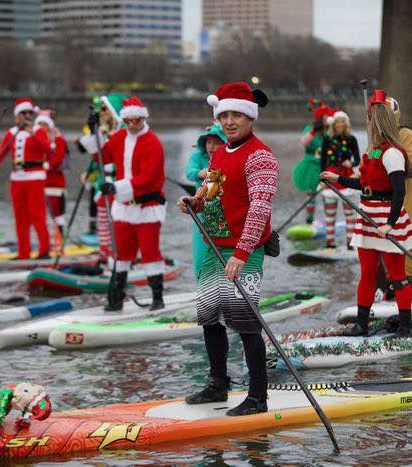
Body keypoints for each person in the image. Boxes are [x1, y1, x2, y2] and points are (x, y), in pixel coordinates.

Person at [177, 81, 277, 416]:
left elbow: (260, 209)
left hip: (244, 251)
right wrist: (194, 202)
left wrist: (242, 253)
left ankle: (257, 397)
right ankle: (219, 386)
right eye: (224, 115)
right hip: (214, 246)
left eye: (236, 115)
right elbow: (210, 192)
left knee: (245, 321)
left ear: (251, 118)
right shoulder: (219, 153)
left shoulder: (261, 157)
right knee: (209, 316)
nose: (229, 121)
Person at [321, 90, 412, 337]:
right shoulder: (371, 152)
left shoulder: (393, 153)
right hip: (367, 218)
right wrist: (338, 179)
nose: (365, 122)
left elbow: (399, 192)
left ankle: (406, 326)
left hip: (387, 219)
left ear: (377, 122)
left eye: (368, 118)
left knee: (398, 276)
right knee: (367, 274)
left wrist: (390, 224)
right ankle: (361, 325)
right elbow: (364, 185)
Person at [86, 96, 166, 311]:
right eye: (128, 121)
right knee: (121, 255)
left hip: (147, 207)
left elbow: (149, 178)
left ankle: (157, 299)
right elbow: (100, 158)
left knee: (150, 254)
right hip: (123, 208)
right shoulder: (120, 137)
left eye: (136, 121)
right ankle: (116, 298)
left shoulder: (153, 143)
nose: (132, 125)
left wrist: (116, 188)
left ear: (143, 118)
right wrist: (92, 132)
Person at [0, 98, 52, 260]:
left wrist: (33, 133)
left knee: (37, 215)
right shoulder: (11, 133)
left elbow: (47, 149)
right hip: (17, 178)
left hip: (35, 177)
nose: (27, 116)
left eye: (29, 113)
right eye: (23, 113)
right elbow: (1, 152)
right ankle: (23, 253)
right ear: (16, 116)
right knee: (20, 218)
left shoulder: (39, 130)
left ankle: (44, 250)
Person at [78, 94, 126, 266]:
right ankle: (104, 255)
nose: (102, 113)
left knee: (117, 224)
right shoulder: (102, 132)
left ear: (114, 111)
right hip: (102, 184)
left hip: (119, 185)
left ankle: (119, 256)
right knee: (103, 222)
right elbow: (97, 157)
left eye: (105, 109)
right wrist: (89, 172)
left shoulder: (122, 131)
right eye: (101, 110)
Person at [386, 96, 412, 295]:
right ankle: (390, 279)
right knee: (386, 233)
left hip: (406, 186)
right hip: (383, 191)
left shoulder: (406, 134)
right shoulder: (377, 138)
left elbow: (407, 162)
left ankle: (411, 277)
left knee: (409, 230)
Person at [185, 123, 227, 278]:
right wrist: (199, 173)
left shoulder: (228, 158)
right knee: (201, 255)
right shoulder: (198, 155)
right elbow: (189, 172)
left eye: (216, 143)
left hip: (223, 214)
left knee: (222, 256)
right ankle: (203, 289)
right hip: (201, 213)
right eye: (209, 142)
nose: (211, 146)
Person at [318, 109, 360, 250]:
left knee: (349, 214)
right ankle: (330, 243)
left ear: (346, 123)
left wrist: (351, 164)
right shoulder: (327, 139)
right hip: (330, 177)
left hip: (347, 177)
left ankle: (350, 244)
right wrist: (322, 179)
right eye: (338, 121)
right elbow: (323, 159)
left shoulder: (351, 139)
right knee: (330, 214)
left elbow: (358, 160)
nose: (341, 124)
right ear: (333, 124)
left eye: (343, 121)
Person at [292, 100, 330, 224]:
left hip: (325, 167)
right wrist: (314, 130)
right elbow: (304, 142)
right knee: (311, 195)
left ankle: (328, 221)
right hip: (311, 167)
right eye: (325, 117)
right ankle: (309, 220)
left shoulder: (330, 131)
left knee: (327, 196)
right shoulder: (310, 129)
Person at [35, 111, 68, 246]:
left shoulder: (57, 139)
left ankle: (59, 241)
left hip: (55, 183)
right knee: (40, 214)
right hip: (39, 182)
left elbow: (59, 157)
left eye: (45, 124)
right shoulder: (36, 139)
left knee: (57, 213)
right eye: (40, 124)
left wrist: (46, 166)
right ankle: (45, 242)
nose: (43, 127)